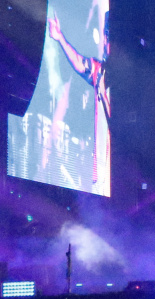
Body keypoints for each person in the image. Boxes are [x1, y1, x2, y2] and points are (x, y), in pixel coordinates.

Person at [47, 11, 111, 195]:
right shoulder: (99, 71)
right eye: (106, 36)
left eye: (109, 37)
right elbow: (79, 63)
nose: (106, 42)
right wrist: (59, 37)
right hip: (104, 173)